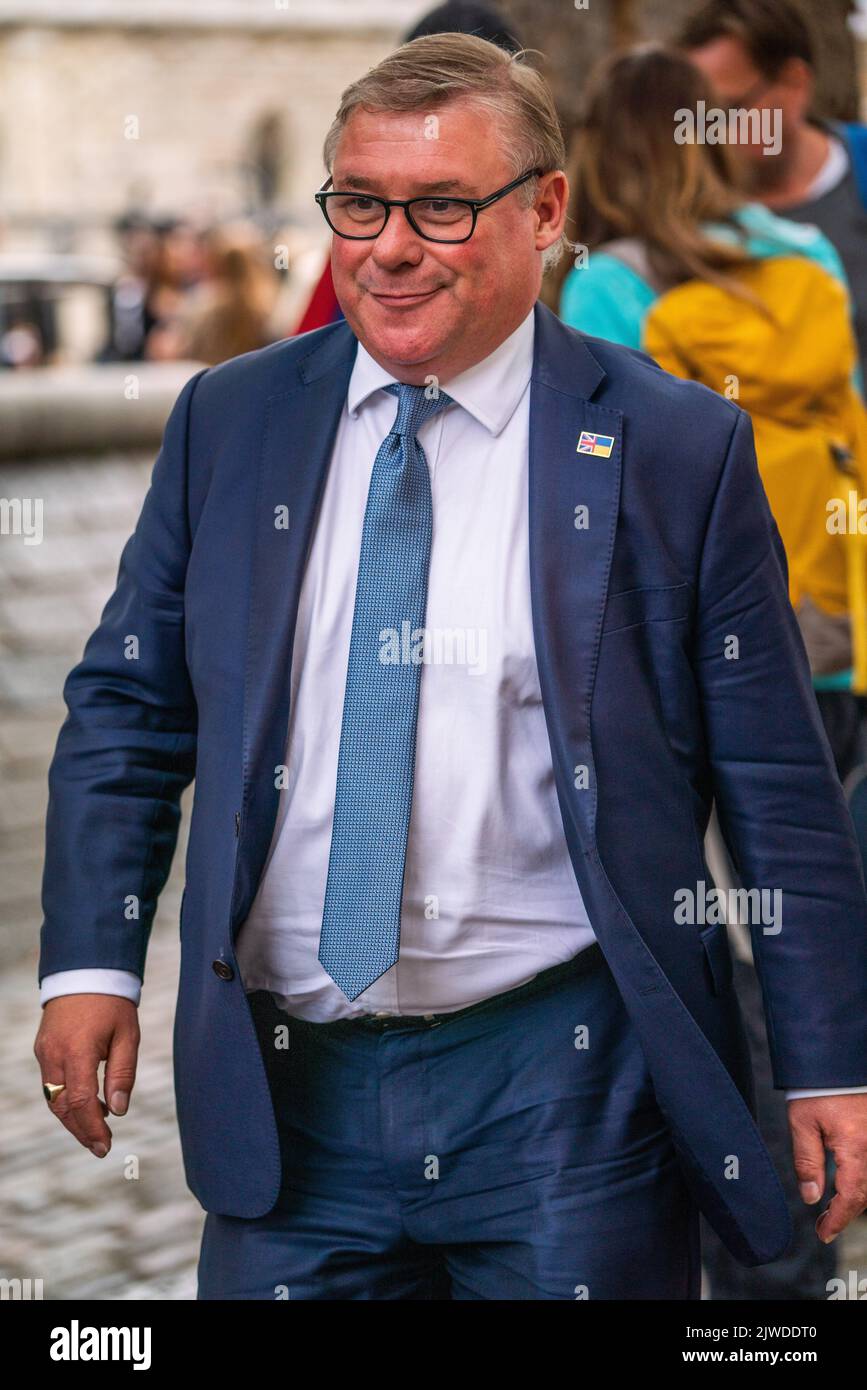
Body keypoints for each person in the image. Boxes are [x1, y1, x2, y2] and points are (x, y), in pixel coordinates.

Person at [34, 32, 867, 1302]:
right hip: (283, 1096)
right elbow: (129, 707)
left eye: (441, 206)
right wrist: (92, 960)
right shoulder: (232, 420)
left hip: (567, 1092)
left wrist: (826, 1059)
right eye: (360, 203)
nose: (390, 244)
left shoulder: (672, 448)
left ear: (544, 212)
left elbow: (773, 781)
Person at [558, 42, 867, 1301]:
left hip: (692, 658)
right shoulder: (807, 261)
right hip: (832, 637)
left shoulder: (608, 292)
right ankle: (810, 1213)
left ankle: (751, 1246)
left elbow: (594, 496)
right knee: (805, 901)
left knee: (702, 949)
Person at [678, 0, 867, 387]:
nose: (711, 131)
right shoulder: (684, 214)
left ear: (795, 83)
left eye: (730, 109)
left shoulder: (860, 173)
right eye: (699, 113)